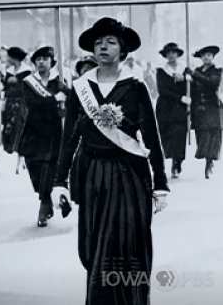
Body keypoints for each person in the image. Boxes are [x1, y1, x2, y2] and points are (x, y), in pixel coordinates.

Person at [53, 17, 169, 305]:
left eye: (111, 42)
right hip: (93, 176)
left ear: (123, 49)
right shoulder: (80, 88)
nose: (103, 47)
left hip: (130, 176)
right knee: (96, 247)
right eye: (98, 42)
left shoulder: (135, 87)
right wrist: (59, 182)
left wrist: (161, 184)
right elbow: (69, 139)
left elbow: (152, 138)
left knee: (130, 244)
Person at [18, 46, 70, 227]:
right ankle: (46, 198)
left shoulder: (60, 81)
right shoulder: (28, 82)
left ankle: (45, 203)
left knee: (49, 167)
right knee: (34, 167)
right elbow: (33, 104)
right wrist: (55, 99)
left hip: (54, 132)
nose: (41, 62)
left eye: (45, 59)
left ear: (51, 62)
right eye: (38, 59)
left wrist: (65, 95)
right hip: (34, 130)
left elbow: (71, 102)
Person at [188, 45, 222, 179]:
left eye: (209, 55)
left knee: (211, 134)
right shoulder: (197, 70)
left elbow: (212, 83)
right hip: (199, 107)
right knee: (201, 135)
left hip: (212, 106)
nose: (206, 57)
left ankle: (209, 162)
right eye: (203, 55)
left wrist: (194, 75)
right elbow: (193, 89)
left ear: (213, 57)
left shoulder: (217, 70)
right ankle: (206, 158)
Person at [155, 42, 189, 178]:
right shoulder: (161, 71)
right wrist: (180, 97)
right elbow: (162, 90)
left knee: (180, 136)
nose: (171, 55)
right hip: (165, 108)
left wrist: (187, 79)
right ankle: (168, 159)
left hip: (180, 110)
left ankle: (178, 162)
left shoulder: (185, 69)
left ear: (178, 54)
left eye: (173, 53)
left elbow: (192, 85)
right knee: (166, 136)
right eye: (168, 53)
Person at [1, 47, 31, 174]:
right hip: (10, 105)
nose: (7, 59)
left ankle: (21, 159)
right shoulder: (8, 72)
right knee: (10, 130)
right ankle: (19, 156)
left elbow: (23, 90)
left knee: (21, 129)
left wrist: (8, 90)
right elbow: (6, 87)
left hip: (22, 104)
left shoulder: (27, 72)